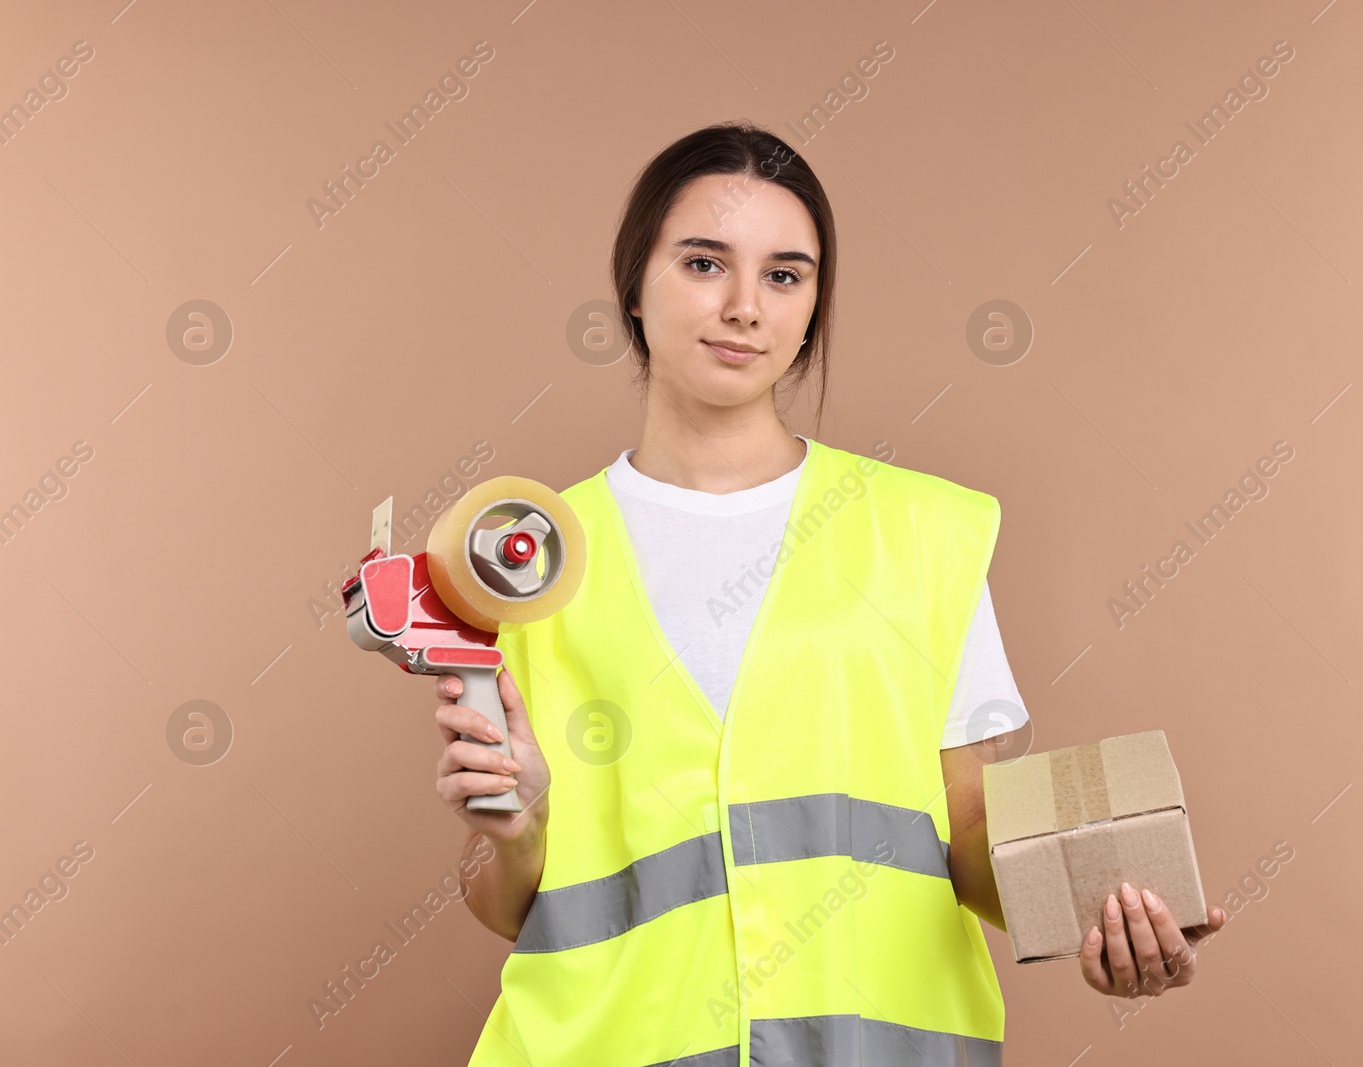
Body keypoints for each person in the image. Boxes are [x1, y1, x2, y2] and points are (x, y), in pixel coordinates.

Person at [430, 121, 1227, 1066]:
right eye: (702, 263)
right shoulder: (526, 556)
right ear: (634, 287)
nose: (743, 306)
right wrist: (512, 831)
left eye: (784, 274)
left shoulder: (922, 532)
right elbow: (503, 901)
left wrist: (1089, 909)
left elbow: (967, 837)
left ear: (813, 308)